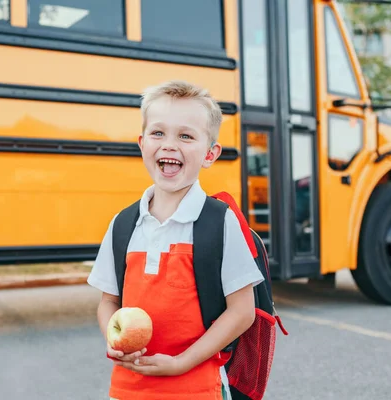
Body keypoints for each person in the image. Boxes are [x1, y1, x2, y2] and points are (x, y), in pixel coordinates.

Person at [87, 80, 264, 400]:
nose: (169, 144)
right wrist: (114, 342)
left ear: (210, 154)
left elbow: (242, 312)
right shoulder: (123, 225)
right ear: (142, 144)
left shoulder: (219, 222)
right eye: (158, 133)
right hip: (127, 389)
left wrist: (181, 363)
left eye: (185, 135)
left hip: (197, 388)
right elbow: (108, 302)